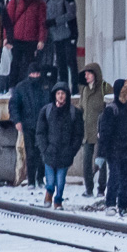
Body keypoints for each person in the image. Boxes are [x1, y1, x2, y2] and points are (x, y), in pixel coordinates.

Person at [96, 78, 127, 217]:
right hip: (114, 151)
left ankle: (123, 206)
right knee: (115, 177)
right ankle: (110, 204)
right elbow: (104, 135)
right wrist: (101, 154)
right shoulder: (111, 110)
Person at [35, 81, 83, 209]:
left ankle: (58, 200)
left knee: (60, 182)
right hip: (49, 152)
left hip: (65, 153)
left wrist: (72, 150)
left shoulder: (74, 112)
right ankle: (48, 195)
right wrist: (44, 148)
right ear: (54, 95)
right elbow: (40, 132)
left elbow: (78, 134)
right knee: (50, 182)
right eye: (58, 93)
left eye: (63, 93)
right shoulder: (47, 111)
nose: (61, 96)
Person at [8, 62, 48, 188]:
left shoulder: (46, 86)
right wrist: (17, 121)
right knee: (30, 153)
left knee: (42, 153)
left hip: (43, 125)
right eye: (33, 73)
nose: (35, 76)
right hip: (28, 124)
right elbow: (14, 105)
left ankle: (40, 179)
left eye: (37, 73)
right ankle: (31, 180)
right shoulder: (21, 87)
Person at [78, 62, 113, 197]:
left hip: (101, 131)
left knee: (101, 161)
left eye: (89, 73)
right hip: (87, 132)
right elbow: (81, 109)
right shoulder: (84, 89)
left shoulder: (105, 88)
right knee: (86, 161)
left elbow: (111, 108)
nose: (86, 76)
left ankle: (101, 189)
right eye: (85, 74)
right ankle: (88, 188)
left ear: (95, 74)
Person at [7, 0, 47, 87]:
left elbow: (42, 23)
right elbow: (8, 21)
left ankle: (28, 85)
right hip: (17, 38)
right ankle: (13, 86)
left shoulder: (39, 3)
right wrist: (7, 38)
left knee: (29, 64)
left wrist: (41, 39)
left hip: (31, 39)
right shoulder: (15, 1)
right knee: (15, 63)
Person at [44, 0, 79, 93]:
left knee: (71, 61)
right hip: (55, 37)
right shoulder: (47, 0)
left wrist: (55, 21)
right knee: (60, 63)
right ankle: (64, 87)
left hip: (69, 34)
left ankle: (75, 87)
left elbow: (71, 14)